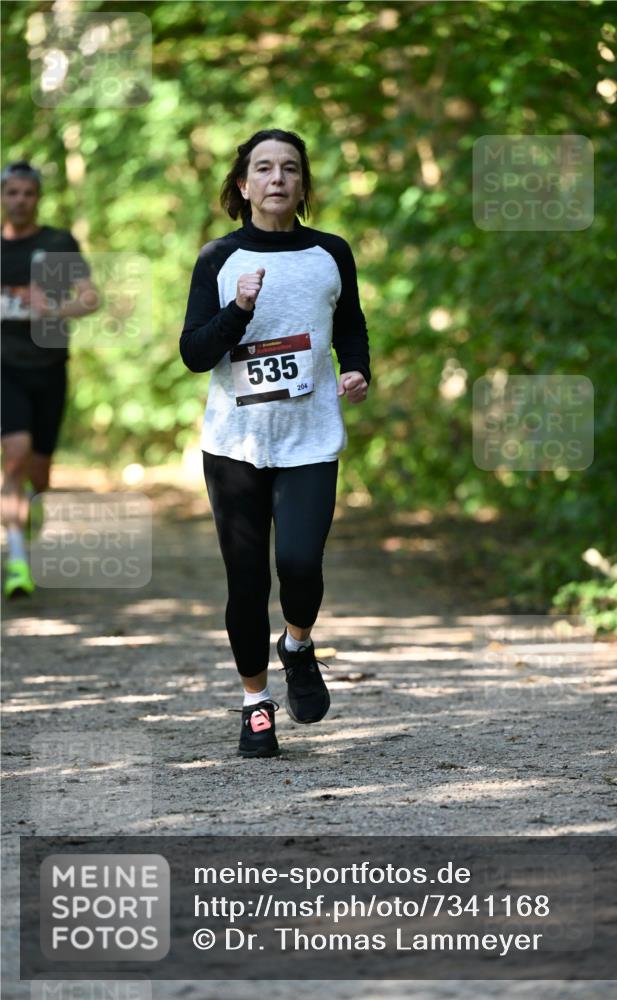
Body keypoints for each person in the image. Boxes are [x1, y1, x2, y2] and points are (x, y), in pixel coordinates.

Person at [180, 128, 371, 759]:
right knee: (244, 582)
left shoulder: (330, 253)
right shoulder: (218, 259)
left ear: (303, 184)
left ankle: (297, 643)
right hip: (235, 443)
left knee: (299, 564)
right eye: (263, 168)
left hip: (311, 437)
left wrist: (356, 368)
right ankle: (254, 704)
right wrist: (237, 309)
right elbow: (194, 352)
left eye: (290, 168)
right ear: (243, 184)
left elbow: (350, 324)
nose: (277, 179)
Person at [1, 161, 99, 598]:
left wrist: (54, 310)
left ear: (37, 197)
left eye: (27, 193)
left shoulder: (58, 243)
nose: (19, 200)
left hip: (48, 368)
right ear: (3, 197)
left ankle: (32, 510)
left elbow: (91, 299)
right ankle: (18, 559)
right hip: (4, 368)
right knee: (15, 456)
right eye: (12, 192)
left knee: (38, 475)